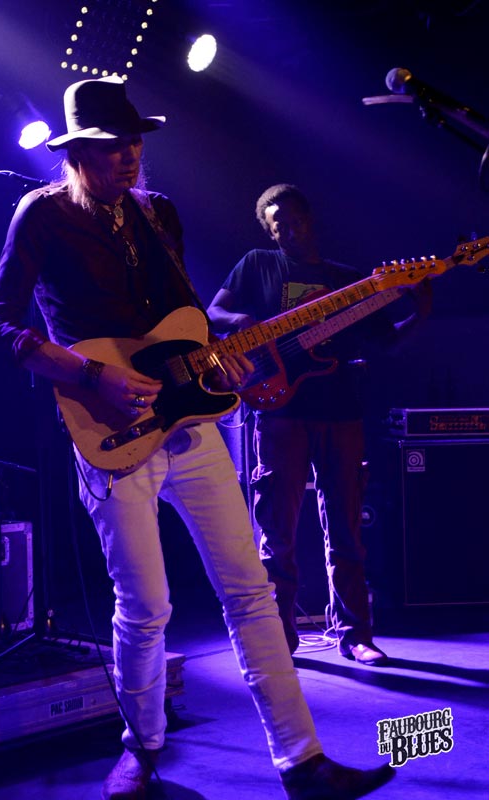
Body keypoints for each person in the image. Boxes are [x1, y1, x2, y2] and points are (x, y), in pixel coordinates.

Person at [0, 79, 395, 800]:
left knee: (251, 590)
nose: (129, 156)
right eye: (112, 146)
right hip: (109, 433)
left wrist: (222, 359)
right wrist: (92, 375)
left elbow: (187, 318)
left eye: (134, 143)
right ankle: (140, 753)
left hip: (192, 426)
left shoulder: (158, 213)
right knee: (146, 607)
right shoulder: (41, 215)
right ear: (77, 153)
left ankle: (303, 761)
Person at [208, 183, 431, 666]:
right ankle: (279, 637)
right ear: (269, 232)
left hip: (340, 409)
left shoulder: (347, 281)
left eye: (295, 221)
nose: (289, 231)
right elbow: (214, 311)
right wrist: (239, 320)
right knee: (277, 531)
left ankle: (355, 634)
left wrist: (419, 311)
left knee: (347, 528)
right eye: (278, 226)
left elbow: (386, 342)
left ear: (310, 219)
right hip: (279, 411)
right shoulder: (257, 264)